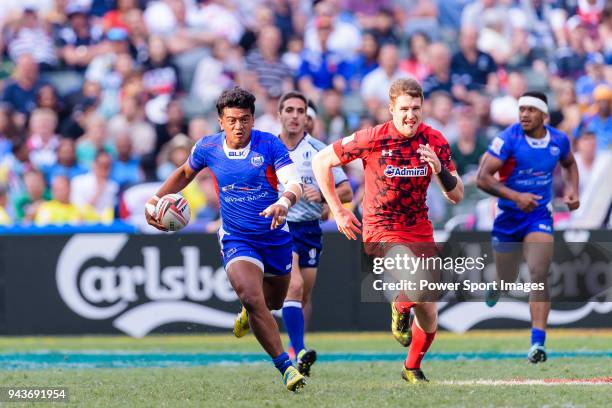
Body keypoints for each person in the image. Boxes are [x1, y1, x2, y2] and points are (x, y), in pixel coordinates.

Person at [145, 87, 306, 392]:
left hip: (275, 237)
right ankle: (285, 367)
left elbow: (293, 182)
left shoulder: (269, 145)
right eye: (231, 120)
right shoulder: (207, 147)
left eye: (244, 119)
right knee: (250, 295)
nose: (238, 126)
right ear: (221, 121)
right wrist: (155, 199)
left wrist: (283, 203)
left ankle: (249, 314)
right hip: (236, 237)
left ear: (253, 120)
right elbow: (183, 173)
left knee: (271, 302)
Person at [312, 78, 464, 383]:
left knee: (430, 311)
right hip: (381, 228)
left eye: (416, 108)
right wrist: (338, 210)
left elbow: (456, 194)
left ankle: (411, 367)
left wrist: (439, 169)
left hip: (419, 228)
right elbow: (321, 160)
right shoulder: (373, 138)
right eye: (404, 109)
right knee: (417, 283)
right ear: (391, 109)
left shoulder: (434, 140)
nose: (411, 115)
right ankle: (399, 305)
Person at [476, 91, 580, 364]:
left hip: (538, 216)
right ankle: (498, 283)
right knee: (509, 278)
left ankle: (538, 343)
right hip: (509, 217)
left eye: (530, 110)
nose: (523, 114)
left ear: (544, 115)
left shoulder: (558, 140)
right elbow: (482, 179)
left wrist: (572, 190)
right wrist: (516, 197)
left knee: (539, 273)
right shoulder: (508, 139)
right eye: (521, 109)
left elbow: (570, 163)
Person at [274, 91, 352, 375]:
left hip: (309, 229)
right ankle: (300, 350)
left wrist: (320, 194)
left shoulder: (320, 151)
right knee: (293, 288)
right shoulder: (269, 148)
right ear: (279, 114)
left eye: (300, 111)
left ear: (307, 117)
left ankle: (258, 310)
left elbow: (346, 190)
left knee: (302, 295)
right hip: (281, 227)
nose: (295, 116)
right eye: (289, 110)